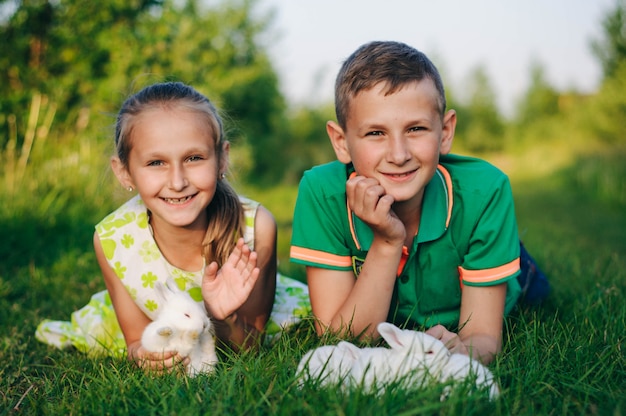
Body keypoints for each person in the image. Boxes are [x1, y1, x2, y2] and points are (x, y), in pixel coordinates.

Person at [290, 41, 544, 365]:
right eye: (375, 133)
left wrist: (460, 350)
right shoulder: (321, 192)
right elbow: (341, 340)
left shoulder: (487, 191)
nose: (399, 155)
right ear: (341, 142)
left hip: (506, 270)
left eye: (416, 128)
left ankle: (516, 261)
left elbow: (483, 339)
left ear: (445, 132)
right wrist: (386, 242)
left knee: (530, 288)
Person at [36, 82, 310, 372]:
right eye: (156, 162)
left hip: (236, 329)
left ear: (222, 159)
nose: (178, 182)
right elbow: (135, 344)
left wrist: (221, 316)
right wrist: (146, 354)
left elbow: (249, 347)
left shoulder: (255, 228)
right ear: (124, 172)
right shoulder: (112, 240)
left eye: (194, 158)